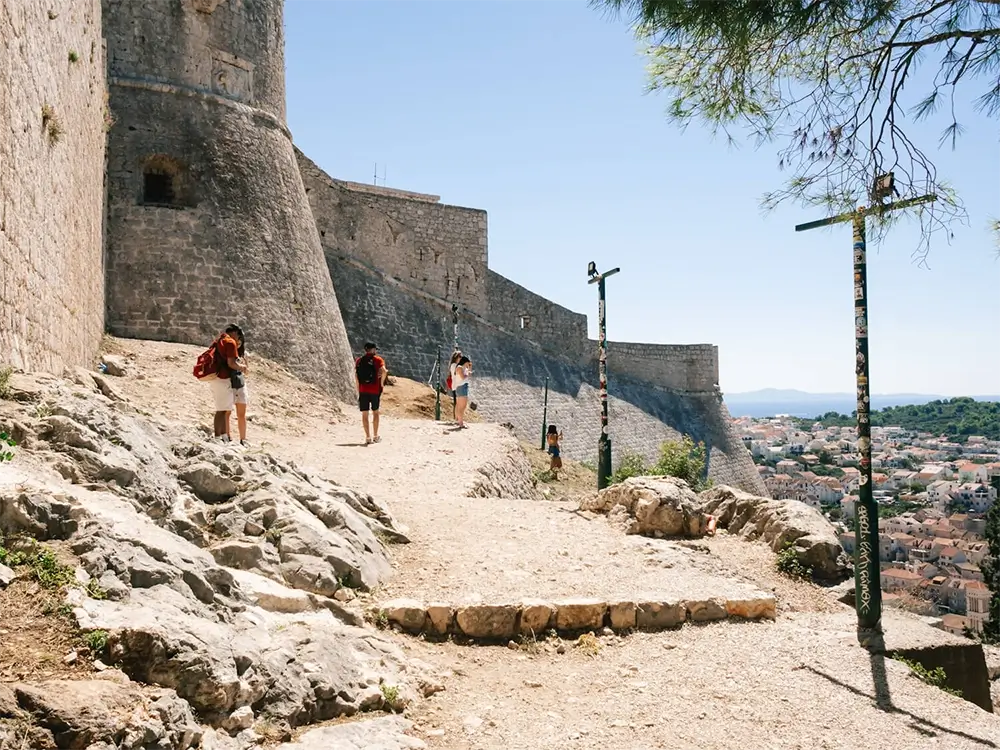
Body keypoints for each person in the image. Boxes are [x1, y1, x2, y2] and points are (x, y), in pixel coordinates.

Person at [210, 325, 246, 441]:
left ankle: (223, 436)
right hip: (223, 378)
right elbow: (231, 363)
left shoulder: (219, 340)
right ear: (235, 333)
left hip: (216, 377)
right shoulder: (230, 343)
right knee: (222, 410)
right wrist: (242, 367)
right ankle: (218, 437)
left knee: (223, 409)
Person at [355, 342, 387, 445]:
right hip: (374, 390)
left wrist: (358, 388)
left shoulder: (359, 360)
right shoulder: (378, 360)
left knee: (365, 414)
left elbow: (356, 376)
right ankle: (376, 436)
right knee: (375, 413)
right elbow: (384, 371)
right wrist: (381, 384)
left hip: (363, 390)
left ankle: (368, 437)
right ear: (372, 350)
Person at [232, 336, 250, 446]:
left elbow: (247, 372)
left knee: (241, 414)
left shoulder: (243, 354)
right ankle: (226, 437)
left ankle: (243, 439)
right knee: (226, 412)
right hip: (229, 385)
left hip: (241, 385)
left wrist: (244, 364)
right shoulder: (228, 354)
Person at [451, 353, 472, 428]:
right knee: (461, 406)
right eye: (467, 363)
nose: (468, 365)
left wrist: (469, 368)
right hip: (461, 387)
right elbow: (463, 377)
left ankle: (460, 422)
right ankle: (460, 423)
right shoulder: (459, 368)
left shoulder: (463, 368)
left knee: (461, 406)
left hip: (463, 387)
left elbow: (467, 374)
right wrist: (468, 374)